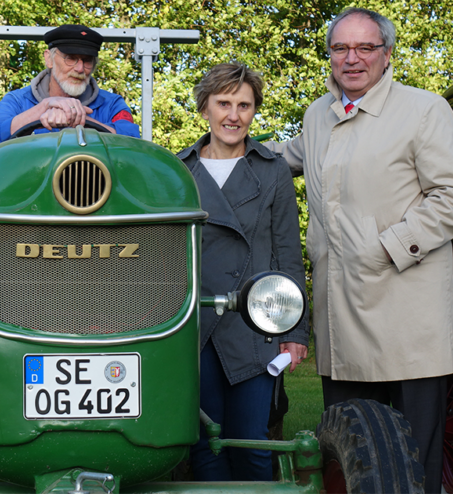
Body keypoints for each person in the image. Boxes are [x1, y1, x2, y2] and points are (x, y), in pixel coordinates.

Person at [264, 8, 453, 492]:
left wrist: (389, 247)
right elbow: (287, 157)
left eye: (365, 48)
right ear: (330, 56)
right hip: (340, 314)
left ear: (387, 54)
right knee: (350, 444)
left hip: (405, 313)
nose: (352, 59)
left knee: (409, 459)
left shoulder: (424, 109)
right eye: (341, 48)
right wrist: (224, 144)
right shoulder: (318, 113)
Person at [177, 63, 309, 481]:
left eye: (244, 105)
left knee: (252, 443)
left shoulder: (272, 170)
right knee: (203, 446)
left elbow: (288, 252)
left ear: (254, 112)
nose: (233, 115)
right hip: (193, 324)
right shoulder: (177, 171)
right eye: (223, 103)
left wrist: (295, 332)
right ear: (205, 109)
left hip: (255, 324)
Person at [0, 24, 140, 147]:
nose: (79, 69)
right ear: (49, 59)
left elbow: (133, 143)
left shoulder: (112, 104)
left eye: (87, 60)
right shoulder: (16, 100)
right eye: (70, 58)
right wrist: (44, 108)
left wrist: (80, 118)